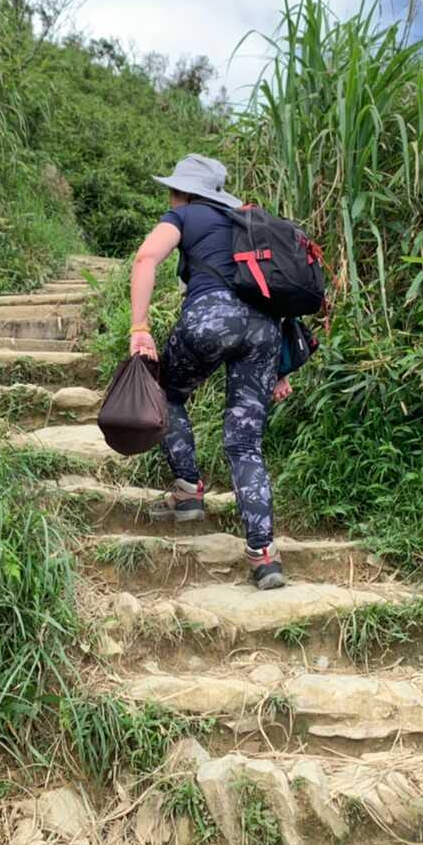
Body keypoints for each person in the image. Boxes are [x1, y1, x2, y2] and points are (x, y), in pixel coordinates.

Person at [128, 154, 292, 591]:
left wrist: (140, 328)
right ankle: (264, 556)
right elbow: (278, 291)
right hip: (263, 334)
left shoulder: (183, 214)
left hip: (209, 321)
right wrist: (279, 368)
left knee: (166, 394)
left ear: (183, 190)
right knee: (245, 444)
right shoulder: (247, 221)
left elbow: (146, 259)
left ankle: (187, 491)